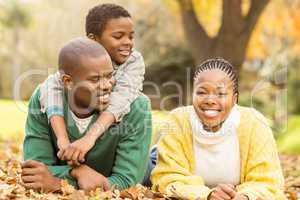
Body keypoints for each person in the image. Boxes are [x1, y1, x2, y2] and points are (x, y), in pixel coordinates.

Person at [22, 37, 151, 192]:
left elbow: (128, 183)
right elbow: (34, 173)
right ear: (68, 82)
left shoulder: (137, 107)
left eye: (110, 76)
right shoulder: (43, 100)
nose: (106, 86)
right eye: (95, 79)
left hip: (149, 168)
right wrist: (77, 172)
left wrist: (58, 183)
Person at [151, 58, 286, 200]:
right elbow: (166, 178)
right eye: (201, 92)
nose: (210, 100)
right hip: (159, 156)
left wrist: (245, 196)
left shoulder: (255, 124)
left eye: (220, 94)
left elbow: (269, 182)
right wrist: (206, 195)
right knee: (148, 170)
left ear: (234, 99)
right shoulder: (177, 120)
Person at [39, 3, 145, 166]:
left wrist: (89, 138)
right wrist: (62, 138)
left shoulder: (133, 61)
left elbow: (120, 100)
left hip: (128, 156)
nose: (128, 42)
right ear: (93, 39)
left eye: (131, 36)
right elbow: (51, 86)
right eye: (118, 36)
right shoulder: (79, 57)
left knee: (152, 164)